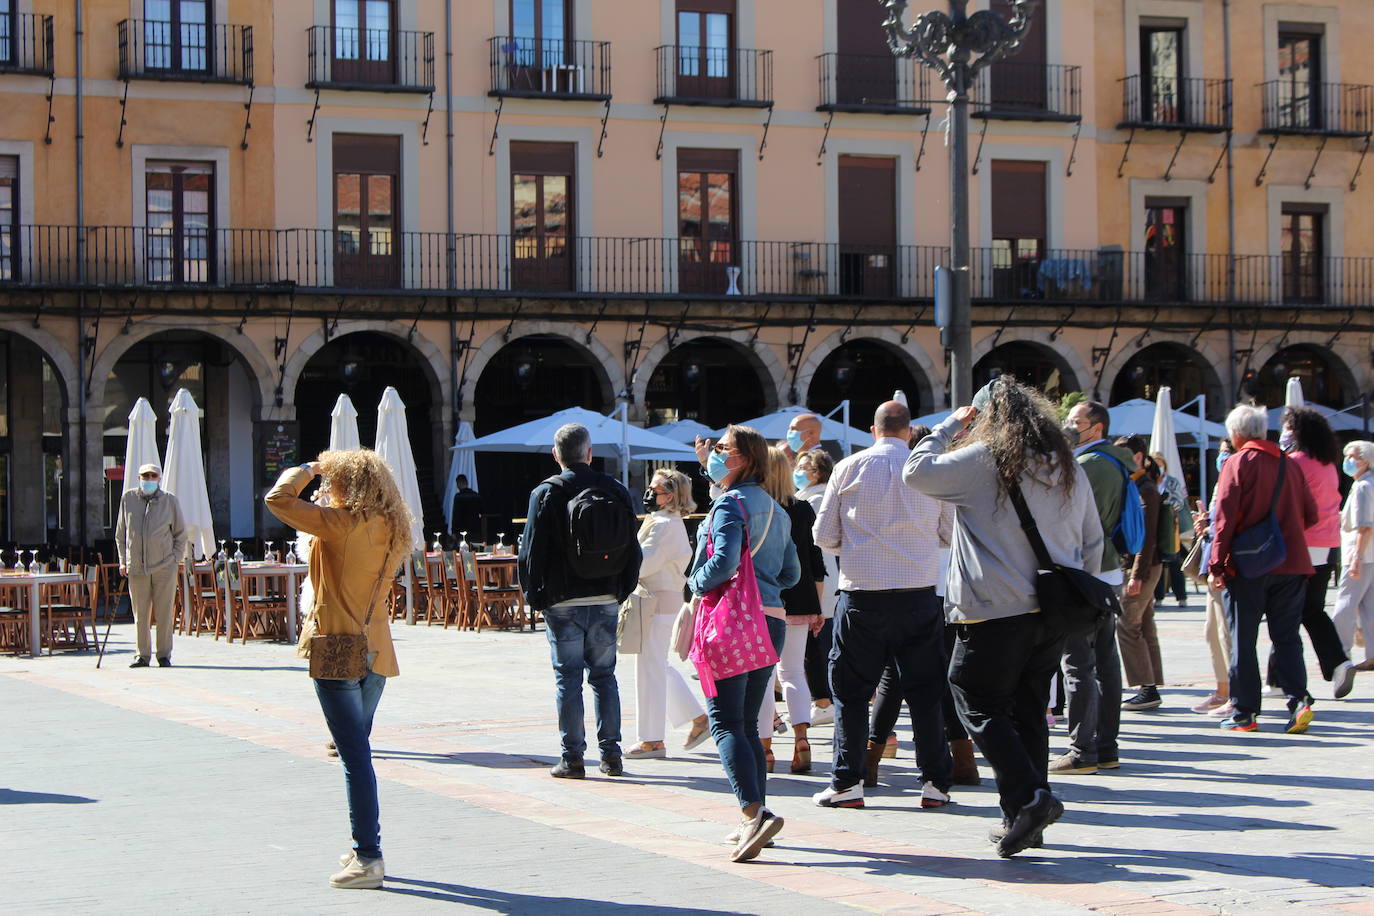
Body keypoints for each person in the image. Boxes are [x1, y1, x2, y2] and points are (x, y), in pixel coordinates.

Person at [905, 378, 1102, 858]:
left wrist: (948, 426)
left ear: (986, 420)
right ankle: (1024, 817)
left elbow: (916, 472)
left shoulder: (982, 460)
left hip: (994, 608)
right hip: (1053, 609)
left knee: (974, 696)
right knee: (1029, 710)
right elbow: (1092, 538)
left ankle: (1029, 797)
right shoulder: (1065, 463)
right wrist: (1076, 591)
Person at [264, 449, 412, 890]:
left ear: (349, 484)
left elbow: (278, 499)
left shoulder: (341, 525)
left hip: (338, 649)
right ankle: (363, 846)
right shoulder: (392, 526)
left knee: (355, 758)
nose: (328, 491)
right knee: (357, 750)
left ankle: (369, 855)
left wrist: (309, 469)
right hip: (377, 654)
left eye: (335, 483)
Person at [812, 401, 954, 811]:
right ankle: (934, 783)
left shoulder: (848, 467)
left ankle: (847, 782)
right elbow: (947, 534)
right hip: (918, 594)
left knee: (851, 693)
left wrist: (857, 547)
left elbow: (823, 534)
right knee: (926, 692)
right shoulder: (930, 471)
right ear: (909, 431)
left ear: (872, 430)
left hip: (863, 596)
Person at [688, 424, 799, 862]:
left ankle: (753, 813)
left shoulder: (729, 505)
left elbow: (723, 561)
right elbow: (791, 573)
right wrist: (765, 582)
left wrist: (695, 584)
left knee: (725, 722)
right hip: (770, 619)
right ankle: (755, 815)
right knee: (749, 722)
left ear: (744, 459)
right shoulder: (777, 509)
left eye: (722, 449)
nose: (714, 454)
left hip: (733, 622)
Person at [518, 423, 643, 779]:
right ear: (590, 453)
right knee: (604, 677)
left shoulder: (545, 493)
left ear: (555, 455)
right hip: (605, 596)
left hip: (561, 600)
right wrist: (622, 589)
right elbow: (633, 549)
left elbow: (530, 552)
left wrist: (535, 596)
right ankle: (612, 755)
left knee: (568, 679)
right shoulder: (615, 490)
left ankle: (573, 758)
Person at [1209, 403, 1318, 733]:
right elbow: (1312, 515)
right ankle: (1299, 700)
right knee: (1287, 637)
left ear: (1237, 434)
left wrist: (1216, 563)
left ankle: (1245, 713)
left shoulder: (1237, 462)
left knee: (1244, 639)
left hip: (1250, 564)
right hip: (1292, 561)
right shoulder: (1290, 464)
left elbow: (1225, 518)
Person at [1053, 400, 1130, 775]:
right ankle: (1106, 745)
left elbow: (1076, 522)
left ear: (1095, 427)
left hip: (1087, 573)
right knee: (1103, 660)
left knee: (1079, 661)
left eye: (1075, 421)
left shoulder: (1089, 466)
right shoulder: (1109, 461)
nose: (1069, 426)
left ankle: (1084, 748)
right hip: (1105, 571)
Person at [1272, 407, 1355, 698]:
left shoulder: (1294, 462)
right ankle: (1282, 676)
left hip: (1300, 544)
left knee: (1285, 609)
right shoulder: (1327, 464)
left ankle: (1286, 677)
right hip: (1327, 543)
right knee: (1307, 609)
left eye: (1287, 429)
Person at [626, 468, 709, 759]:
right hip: (658, 599)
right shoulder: (664, 521)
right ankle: (697, 718)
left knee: (650, 669)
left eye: (655, 489)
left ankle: (652, 739)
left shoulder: (663, 525)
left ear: (670, 495)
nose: (649, 493)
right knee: (655, 665)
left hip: (656, 601)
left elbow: (643, 564)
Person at [763, 446, 825, 775]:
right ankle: (802, 740)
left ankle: (766, 748)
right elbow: (816, 563)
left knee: (762, 676)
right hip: (801, 600)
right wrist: (817, 607)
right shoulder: (802, 509)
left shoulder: (759, 507)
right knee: (793, 673)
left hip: (766, 598)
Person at [114, 463, 187, 669]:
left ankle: (164, 654)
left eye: (153, 475)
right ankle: (142, 654)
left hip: (164, 566)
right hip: (136, 567)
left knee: (164, 613)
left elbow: (180, 534)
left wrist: (174, 558)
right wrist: (123, 561)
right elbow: (121, 534)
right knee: (140, 615)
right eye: (145, 475)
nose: (149, 479)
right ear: (139, 477)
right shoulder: (128, 499)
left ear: (159, 478)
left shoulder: (170, 501)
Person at [1115, 435, 1166, 712]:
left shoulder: (1145, 488)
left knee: (1127, 625)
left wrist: (1136, 575)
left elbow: (1147, 538)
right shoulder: (1138, 483)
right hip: (1145, 565)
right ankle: (1151, 686)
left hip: (1142, 566)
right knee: (1144, 625)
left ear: (1138, 457)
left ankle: (1145, 686)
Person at [794, 448, 838, 727]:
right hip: (822, 576)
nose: (797, 471)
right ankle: (822, 698)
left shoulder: (815, 499)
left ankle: (823, 699)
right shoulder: (808, 497)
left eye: (803, 467)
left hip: (819, 577)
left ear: (817, 472)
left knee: (816, 643)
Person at [1191, 439, 1236, 715]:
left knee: (1225, 633)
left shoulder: (1234, 480)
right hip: (1213, 563)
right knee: (1212, 632)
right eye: (1220, 452)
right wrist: (1205, 525)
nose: (1221, 457)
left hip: (1224, 566)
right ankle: (1223, 690)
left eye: (1226, 452)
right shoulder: (1221, 482)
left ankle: (1235, 693)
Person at [1332, 440, 1374, 680]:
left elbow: (1364, 526)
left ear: (1365, 460)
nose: (1347, 460)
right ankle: (1372, 654)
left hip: (1359, 554)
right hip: (1370, 555)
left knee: (1344, 606)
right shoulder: (1368, 483)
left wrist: (1356, 555)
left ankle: (1340, 654)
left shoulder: (1361, 487)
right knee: (1369, 606)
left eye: (1352, 456)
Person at [1151, 452, 1191, 607]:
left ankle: (1181, 596)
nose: (1158, 467)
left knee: (1174, 561)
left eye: (1160, 464)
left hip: (1169, 526)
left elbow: (1179, 502)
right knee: (1157, 562)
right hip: (1154, 526)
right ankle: (1158, 596)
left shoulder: (1172, 482)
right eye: (1156, 464)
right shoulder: (1149, 481)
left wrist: (1164, 503)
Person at [450, 474, 483, 542]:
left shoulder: (458, 497)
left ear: (459, 483)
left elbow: (456, 515)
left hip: (462, 530)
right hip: (475, 529)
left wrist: (453, 531)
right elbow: (482, 511)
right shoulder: (476, 495)